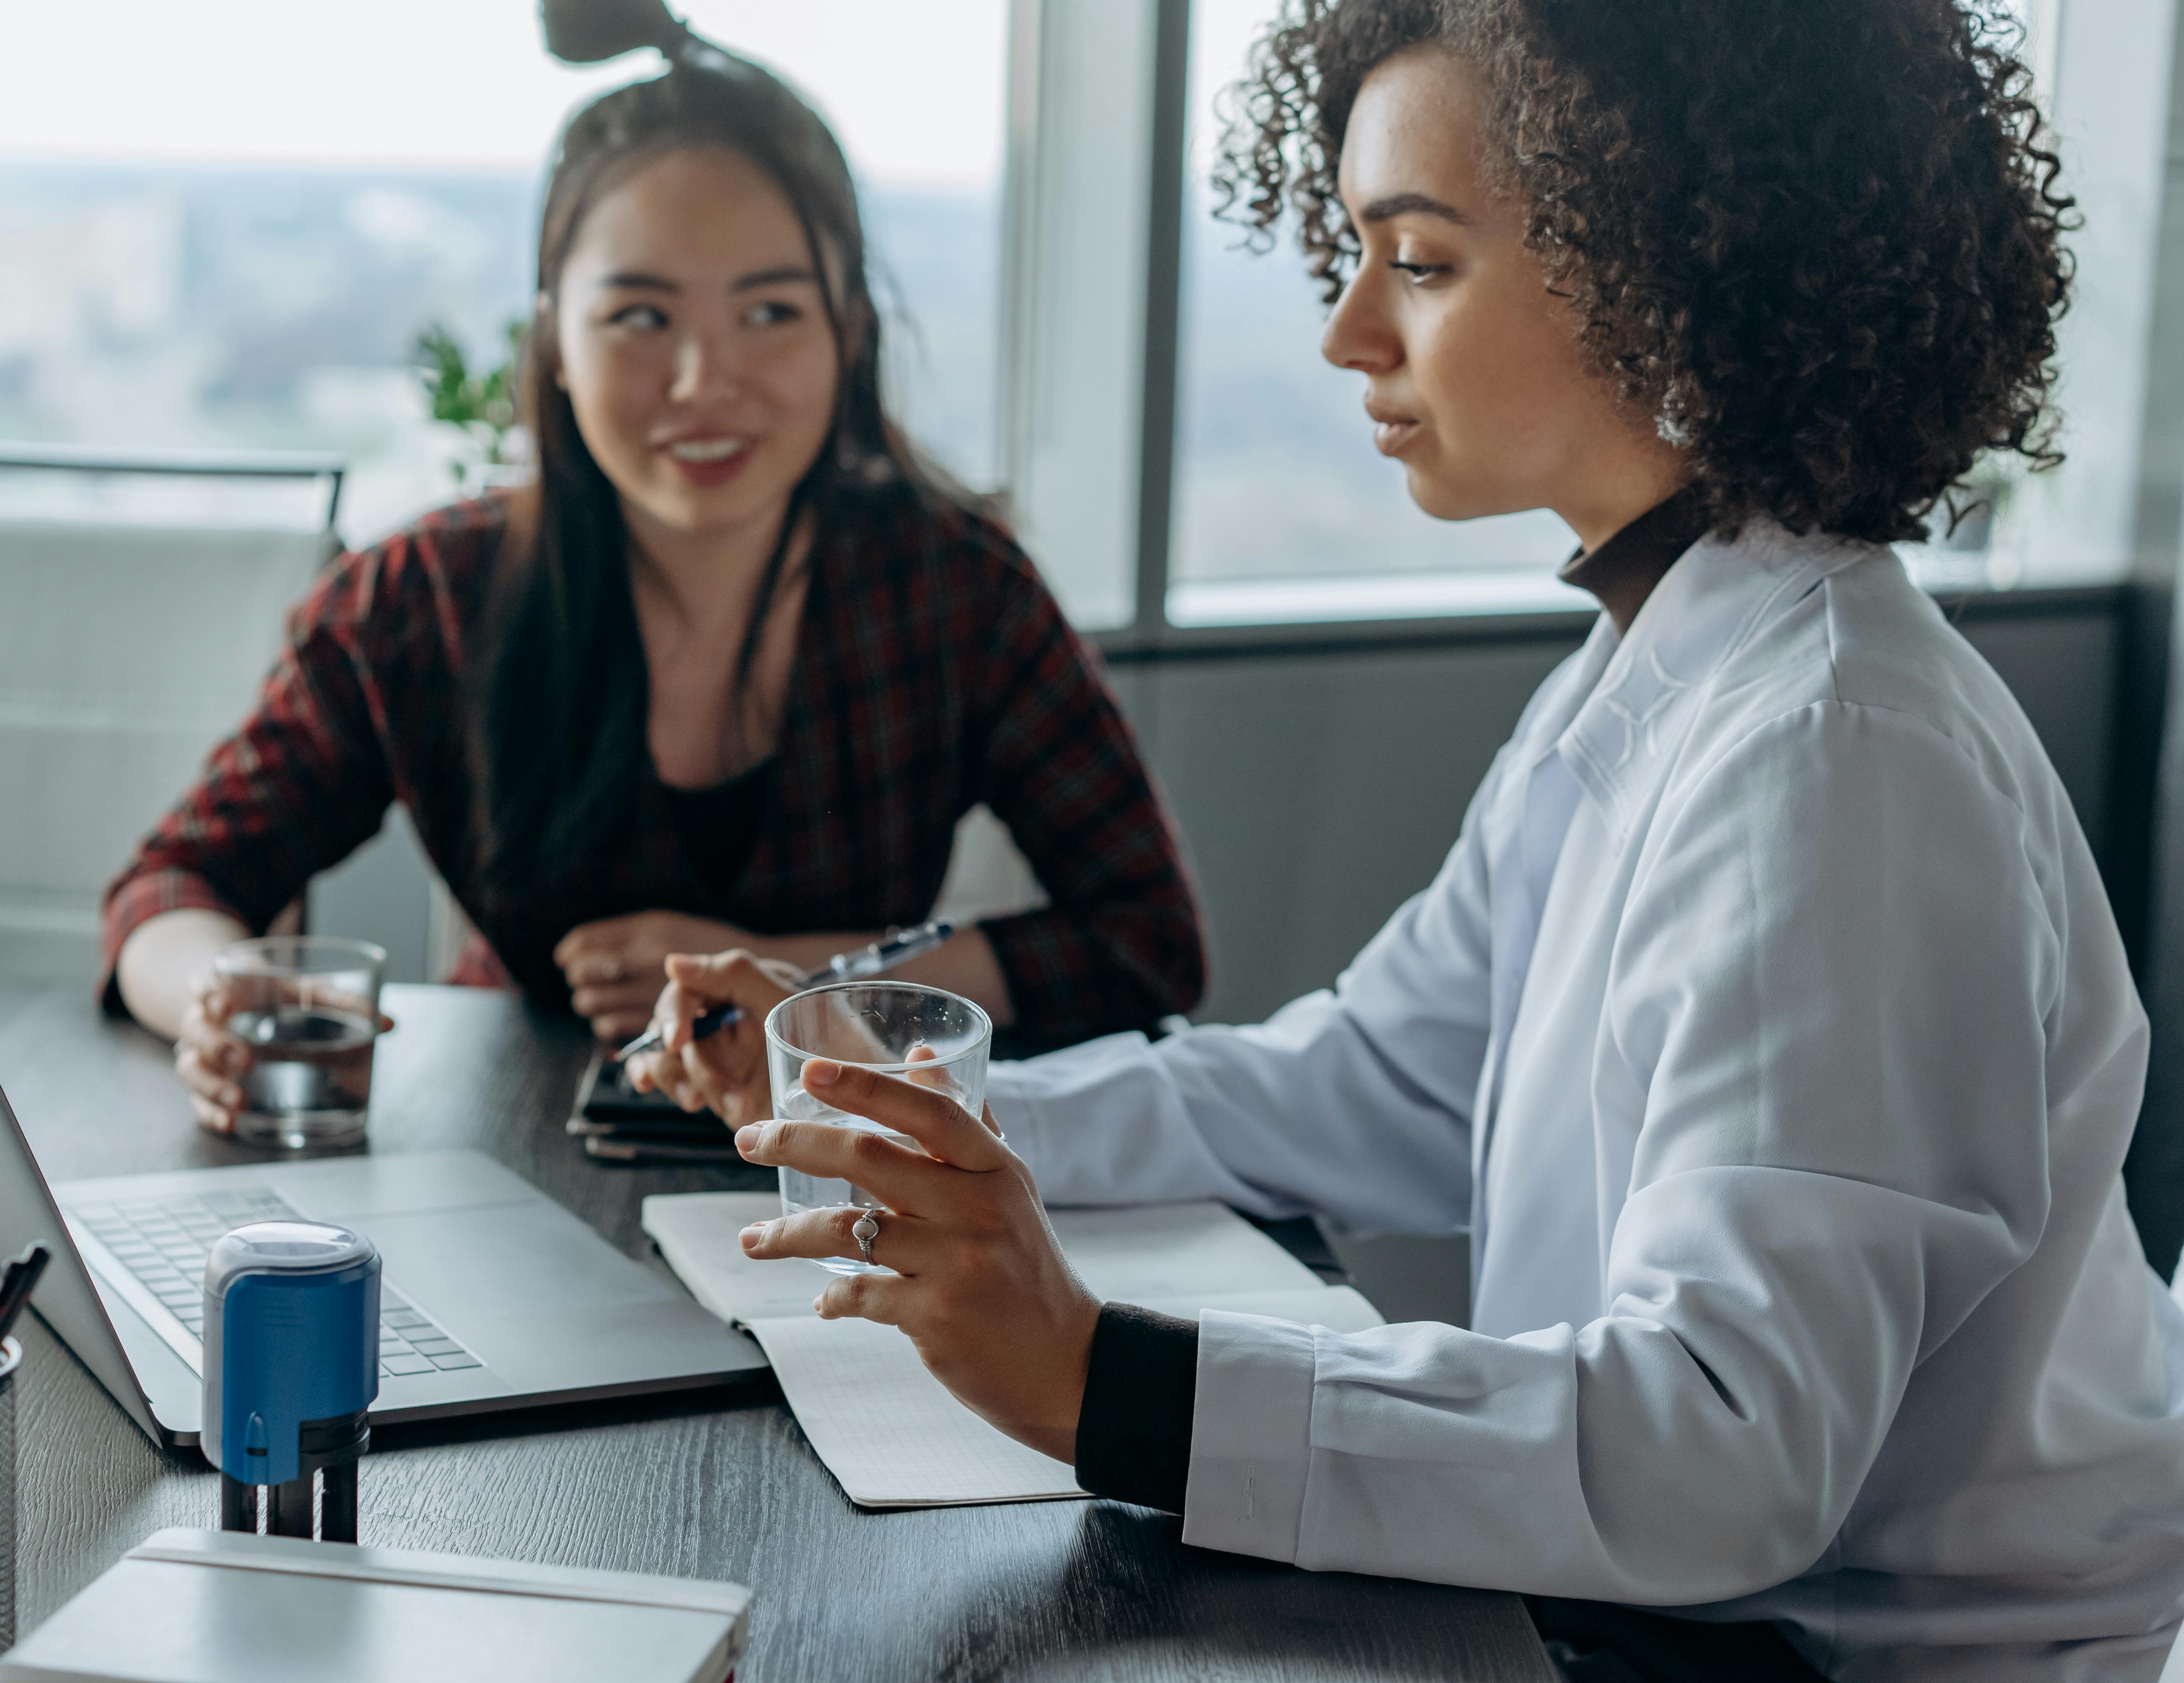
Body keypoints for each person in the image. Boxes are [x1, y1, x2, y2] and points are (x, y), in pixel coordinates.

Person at [629, 0, 2184, 1675]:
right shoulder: (1674, 666)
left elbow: (1725, 1448)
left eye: (1420, 264)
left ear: (1669, 269)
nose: (1348, 333)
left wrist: (1103, 1381)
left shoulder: (1834, 756)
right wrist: (902, 1113)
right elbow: (1372, 1080)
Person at [101, 19, 1206, 1134]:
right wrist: (216, 1004)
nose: (703, 381)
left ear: (850, 332)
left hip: (849, 1188)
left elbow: (1151, 939)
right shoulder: (423, 600)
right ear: (555, 345)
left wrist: (795, 976)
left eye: (771, 312)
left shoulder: (960, 596)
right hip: (505, 1179)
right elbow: (173, 886)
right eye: (640, 316)